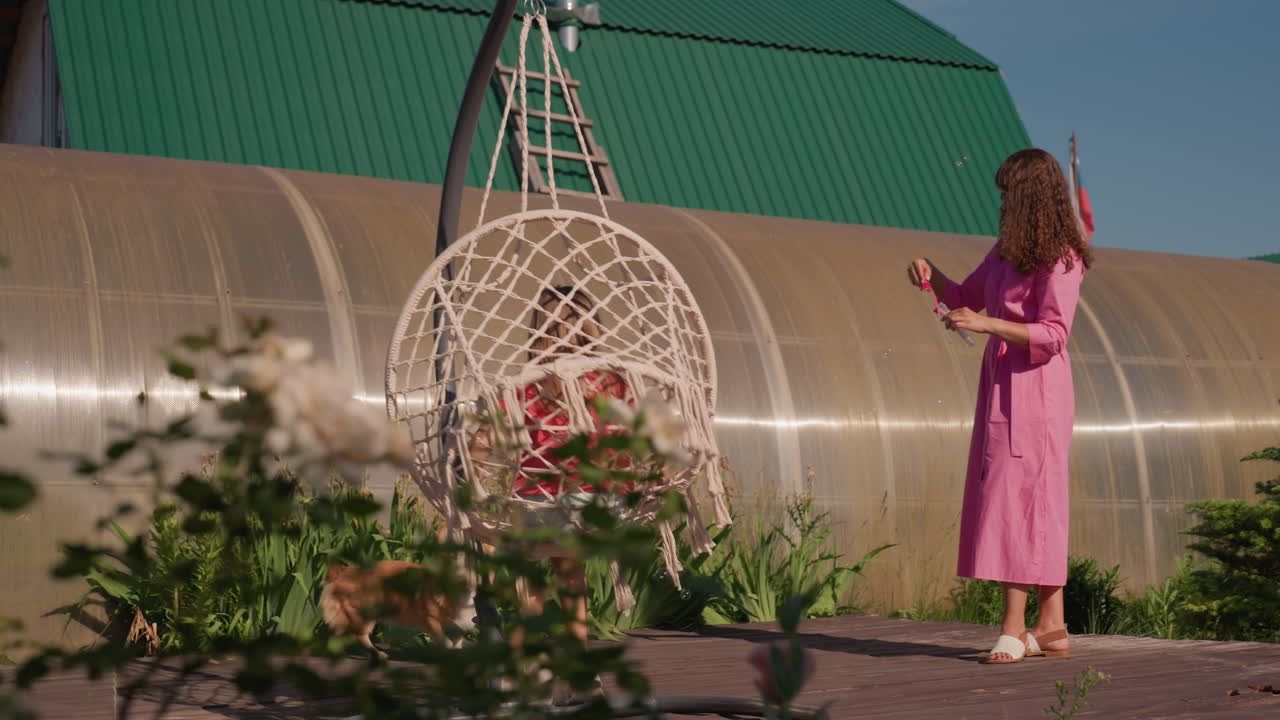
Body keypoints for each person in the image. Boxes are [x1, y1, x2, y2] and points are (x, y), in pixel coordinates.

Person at [906, 148, 1092, 664]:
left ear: (1031, 196)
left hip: (1037, 386)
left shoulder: (1062, 257)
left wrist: (985, 324)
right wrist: (930, 275)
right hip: (1004, 381)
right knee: (1032, 498)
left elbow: (1055, 334)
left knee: (1022, 498)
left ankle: (1013, 626)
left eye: (1009, 194)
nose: (1003, 204)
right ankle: (1051, 626)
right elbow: (966, 293)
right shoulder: (1006, 252)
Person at [468, 285, 632, 653]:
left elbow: (483, 441)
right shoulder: (613, 382)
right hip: (602, 506)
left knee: (534, 559)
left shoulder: (525, 388)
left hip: (541, 507)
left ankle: (521, 644)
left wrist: (469, 478)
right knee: (570, 570)